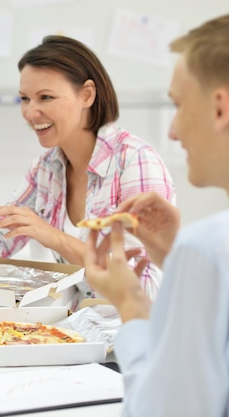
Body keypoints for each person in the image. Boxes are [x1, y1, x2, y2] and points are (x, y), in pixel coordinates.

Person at [0, 35, 175, 299]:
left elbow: (143, 288)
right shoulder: (47, 167)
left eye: (46, 97)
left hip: (132, 330)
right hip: (79, 322)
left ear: (86, 95)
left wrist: (51, 236)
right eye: (25, 99)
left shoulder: (135, 162)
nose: (30, 112)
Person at [84, 14, 229, 416]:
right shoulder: (203, 249)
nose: (173, 131)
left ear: (221, 109)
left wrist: (129, 302)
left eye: (179, 106)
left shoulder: (208, 248)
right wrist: (175, 256)